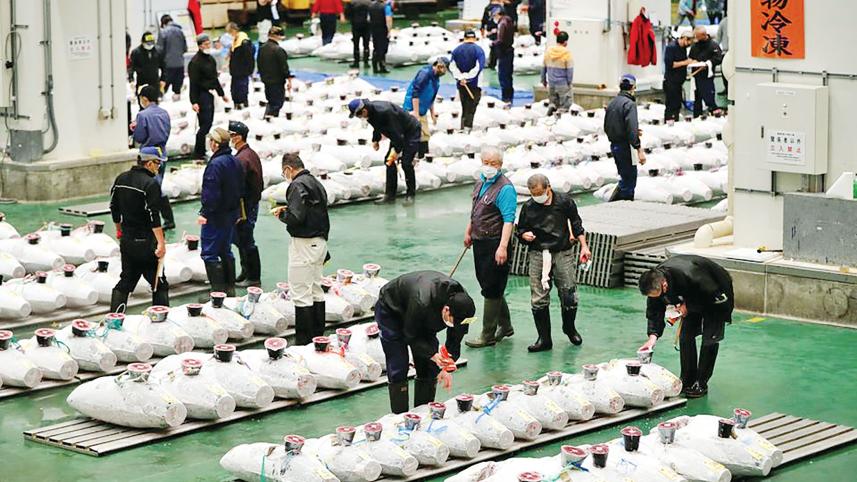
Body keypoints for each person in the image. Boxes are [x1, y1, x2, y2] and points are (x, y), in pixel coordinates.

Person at [375, 270, 475, 413]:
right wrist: (433, 354)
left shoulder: (462, 306)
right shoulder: (422, 301)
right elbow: (411, 335)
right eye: (454, 322)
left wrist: (447, 366)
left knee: (429, 366)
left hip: (424, 316)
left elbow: (455, 338)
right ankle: (400, 416)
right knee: (399, 362)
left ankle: (421, 413)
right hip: (392, 310)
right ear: (446, 310)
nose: (456, 325)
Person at [638, 254, 734, 398]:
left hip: (716, 292)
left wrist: (688, 306)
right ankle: (688, 379)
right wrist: (652, 338)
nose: (655, 298)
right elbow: (654, 311)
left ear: (664, 285)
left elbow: (712, 294)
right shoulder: (656, 282)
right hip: (691, 295)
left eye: (657, 295)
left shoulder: (692, 275)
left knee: (710, 339)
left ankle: (701, 382)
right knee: (685, 336)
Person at [516, 174, 591, 352]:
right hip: (538, 253)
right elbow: (521, 229)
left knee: (569, 292)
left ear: (548, 188)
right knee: (538, 296)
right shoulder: (528, 207)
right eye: (534, 194)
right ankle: (544, 338)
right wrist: (524, 235)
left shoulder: (564, 202)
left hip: (562, 251)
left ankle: (569, 328)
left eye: (540, 193)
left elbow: (577, 224)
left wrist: (584, 247)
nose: (538, 198)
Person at [272, 153, 330, 345]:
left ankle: (303, 343)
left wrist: (282, 215)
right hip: (319, 242)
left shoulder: (296, 185)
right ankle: (318, 338)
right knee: (315, 289)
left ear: (288, 169)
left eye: (284, 173)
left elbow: (296, 217)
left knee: (300, 293)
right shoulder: (315, 183)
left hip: (304, 244)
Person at [463, 147, 515, 348]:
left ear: (500, 165)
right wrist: (469, 231)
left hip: (495, 242)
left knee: (492, 288)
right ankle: (506, 326)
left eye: (494, 163)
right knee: (488, 285)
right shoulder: (481, 182)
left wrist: (502, 247)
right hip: (480, 241)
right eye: (486, 162)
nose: (489, 166)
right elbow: (475, 211)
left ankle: (488, 334)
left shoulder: (505, 189)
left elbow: (508, 220)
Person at [109, 147, 169, 312]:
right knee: (159, 282)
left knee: (126, 281)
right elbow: (153, 216)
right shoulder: (150, 184)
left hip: (128, 240)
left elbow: (114, 208)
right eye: (158, 164)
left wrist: (119, 230)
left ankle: (114, 320)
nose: (158, 168)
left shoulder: (121, 179)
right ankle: (160, 321)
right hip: (147, 242)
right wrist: (161, 243)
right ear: (149, 163)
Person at [198, 128, 244, 296]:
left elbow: (211, 192)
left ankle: (217, 292)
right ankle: (229, 289)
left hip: (215, 216)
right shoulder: (234, 160)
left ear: (215, 144)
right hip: (230, 214)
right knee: (225, 250)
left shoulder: (216, 164)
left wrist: (205, 213)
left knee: (210, 253)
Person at [349, 98, 421, 205]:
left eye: (359, 116)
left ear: (363, 111)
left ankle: (410, 195)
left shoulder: (385, 112)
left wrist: (396, 151)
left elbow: (398, 136)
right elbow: (377, 126)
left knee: (406, 163)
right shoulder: (370, 111)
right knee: (389, 161)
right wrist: (375, 140)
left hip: (410, 132)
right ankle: (390, 195)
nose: (360, 118)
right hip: (398, 134)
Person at [130, 85, 175, 230]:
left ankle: (149, 220)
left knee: (146, 188)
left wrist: (134, 129)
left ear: (144, 99)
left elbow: (140, 136)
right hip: (161, 152)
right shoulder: (164, 113)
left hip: (147, 154)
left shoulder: (143, 115)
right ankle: (168, 219)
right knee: (157, 186)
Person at [228, 121, 263, 288]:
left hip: (245, 206)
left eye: (232, 135)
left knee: (247, 240)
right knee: (241, 239)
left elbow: (237, 186)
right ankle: (246, 272)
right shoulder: (248, 154)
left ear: (238, 137)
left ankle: (254, 277)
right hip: (249, 204)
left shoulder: (243, 158)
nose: (230, 139)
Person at [604, 74, 646, 201]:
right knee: (629, 179)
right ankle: (623, 206)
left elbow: (608, 126)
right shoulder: (629, 104)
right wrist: (639, 149)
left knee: (624, 176)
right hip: (625, 146)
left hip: (615, 145)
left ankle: (617, 204)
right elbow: (631, 128)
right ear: (633, 87)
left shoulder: (613, 102)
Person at [189, 34, 228, 160]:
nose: (208, 46)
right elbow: (193, 83)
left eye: (208, 43)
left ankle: (201, 150)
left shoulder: (211, 59)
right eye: (205, 44)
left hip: (210, 94)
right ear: (200, 46)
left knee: (207, 123)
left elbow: (214, 79)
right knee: (205, 125)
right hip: (201, 95)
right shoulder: (195, 62)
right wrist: (194, 101)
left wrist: (222, 94)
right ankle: (198, 152)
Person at [403, 57, 448, 160]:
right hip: (413, 109)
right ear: (440, 66)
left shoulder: (436, 77)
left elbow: (431, 96)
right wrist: (416, 113)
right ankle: (413, 158)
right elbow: (415, 93)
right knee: (415, 135)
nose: (445, 72)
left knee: (424, 135)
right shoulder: (425, 74)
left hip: (422, 109)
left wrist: (432, 113)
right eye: (445, 69)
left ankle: (422, 157)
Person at [450, 30, 485, 131]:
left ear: (464, 38)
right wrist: (468, 78)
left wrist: (460, 77)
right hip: (474, 84)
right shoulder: (478, 50)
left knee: (464, 107)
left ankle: (462, 128)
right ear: (474, 38)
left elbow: (452, 66)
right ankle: (467, 129)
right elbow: (479, 67)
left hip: (461, 84)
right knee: (471, 108)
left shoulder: (456, 50)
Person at [257, 26, 293, 118]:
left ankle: (268, 120)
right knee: (277, 103)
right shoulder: (278, 50)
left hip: (266, 80)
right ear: (278, 36)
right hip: (277, 82)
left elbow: (259, 64)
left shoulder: (262, 48)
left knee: (271, 101)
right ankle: (270, 121)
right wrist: (289, 80)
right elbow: (284, 67)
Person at [689, 26, 723, 117]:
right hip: (696, 76)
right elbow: (691, 58)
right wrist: (692, 62)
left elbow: (719, 58)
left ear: (703, 35)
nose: (695, 38)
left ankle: (716, 116)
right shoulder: (695, 46)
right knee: (697, 100)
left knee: (709, 99)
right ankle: (696, 118)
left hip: (707, 77)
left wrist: (708, 63)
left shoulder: (713, 45)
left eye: (697, 36)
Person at [663, 31, 694, 122]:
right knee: (671, 106)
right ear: (684, 38)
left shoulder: (683, 48)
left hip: (678, 82)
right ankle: (669, 123)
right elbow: (670, 64)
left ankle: (675, 123)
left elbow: (682, 62)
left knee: (677, 105)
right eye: (688, 42)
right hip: (671, 82)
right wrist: (686, 62)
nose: (689, 44)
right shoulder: (671, 47)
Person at [541, 30, 575, 115]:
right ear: (566, 42)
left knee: (553, 103)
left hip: (551, 83)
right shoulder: (567, 53)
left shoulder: (548, 51)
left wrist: (543, 80)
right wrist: (569, 83)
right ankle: (560, 123)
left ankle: (549, 120)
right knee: (564, 107)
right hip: (563, 84)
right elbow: (569, 71)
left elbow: (543, 67)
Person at [157, 15, 188, 100]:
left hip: (167, 65)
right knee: (177, 90)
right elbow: (185, 48)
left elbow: (159, 50)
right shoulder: (180, 31)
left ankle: (160, 98)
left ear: (163, 23)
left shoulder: (163, 32)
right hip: (180, 64)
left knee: (163, 89)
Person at [226, 22, 255, 110]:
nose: (230, 34)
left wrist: (249, 69)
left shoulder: (244, 41)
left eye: (230, 32)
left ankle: (242, 102)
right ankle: (236, 101)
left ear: (234, 30)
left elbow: (248, 57)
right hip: (236, 70)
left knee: (241, 87)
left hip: (242, 70)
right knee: (235, 88)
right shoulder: (236, 40)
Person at [492, 7, 516, 104]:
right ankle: (509, 96)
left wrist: (493, 43)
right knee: (508, 75)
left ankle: (505, 98)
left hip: (504, 52)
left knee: (503, 76)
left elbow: (501, 40)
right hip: (509, 51)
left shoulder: (502, 23)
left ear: (498, 14)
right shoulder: (509, 21)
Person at [368, 0, 393, 73]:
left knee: (375, 47)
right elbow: (388, 19)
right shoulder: (386, 7)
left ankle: (375, 67)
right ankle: (382, 66)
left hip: (374, 29)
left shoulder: (370, 6)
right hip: (383, 29)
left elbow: (368, 19)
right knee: (383, 48)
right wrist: (389, 30)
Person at [480, 0, 503, 69]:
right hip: (499, 29)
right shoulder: (501, 8)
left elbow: (483, 21)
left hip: (490, 30)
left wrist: (482, 30)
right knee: (497, 46)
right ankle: (495, 63)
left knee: (493, 46)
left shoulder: (487, 8)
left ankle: (492, 63)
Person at [349, 0, 371, 68]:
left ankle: (356, 62)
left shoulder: (353, 3)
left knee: (356, 44)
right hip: (367, 26)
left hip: (356, 25)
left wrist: (352, 22)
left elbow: (349, 14)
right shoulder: (369, 3)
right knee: (366, 44)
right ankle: (366, 62)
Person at [717, 15, 729, 95]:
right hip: (734, 52)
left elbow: (718, 36)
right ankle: (728, 89)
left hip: (726, 52)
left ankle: (727, 89)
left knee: (725, 72)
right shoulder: (740, 20)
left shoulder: (724, 21)